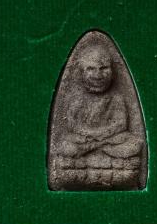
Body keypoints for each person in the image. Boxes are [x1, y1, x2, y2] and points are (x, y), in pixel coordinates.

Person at [55, 45, 143, 187]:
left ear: (112, 72)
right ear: (81, 72)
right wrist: (91, 135)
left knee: (133, 143)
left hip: (109, 140)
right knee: (66, 146)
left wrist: (101, 136)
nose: (98, 74)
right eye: (91, 69)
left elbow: (121, 124)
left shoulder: (116, 98)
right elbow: (72, 124)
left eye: (103, 68)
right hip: (85, 140)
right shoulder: (77, 99)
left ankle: (88, 164)